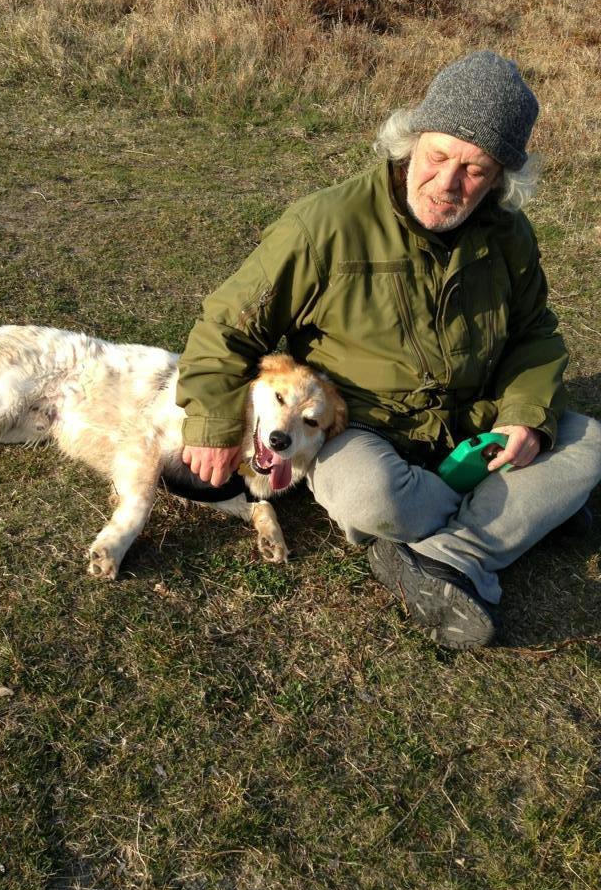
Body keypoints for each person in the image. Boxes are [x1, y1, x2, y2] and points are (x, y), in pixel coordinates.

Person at [175, 50, 601, 649]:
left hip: (471, 425)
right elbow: (227, 326)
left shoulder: (510, 237)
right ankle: (513, 517)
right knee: (370, 495)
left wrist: (525, 415)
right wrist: (211, 425)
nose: (447, 184)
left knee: (588, 445)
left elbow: (535, 334)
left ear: (502, 178)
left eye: (474, 170)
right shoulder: (324, 225)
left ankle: (445, 556)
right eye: (437, 156)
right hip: (361, 431)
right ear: (412, 139)